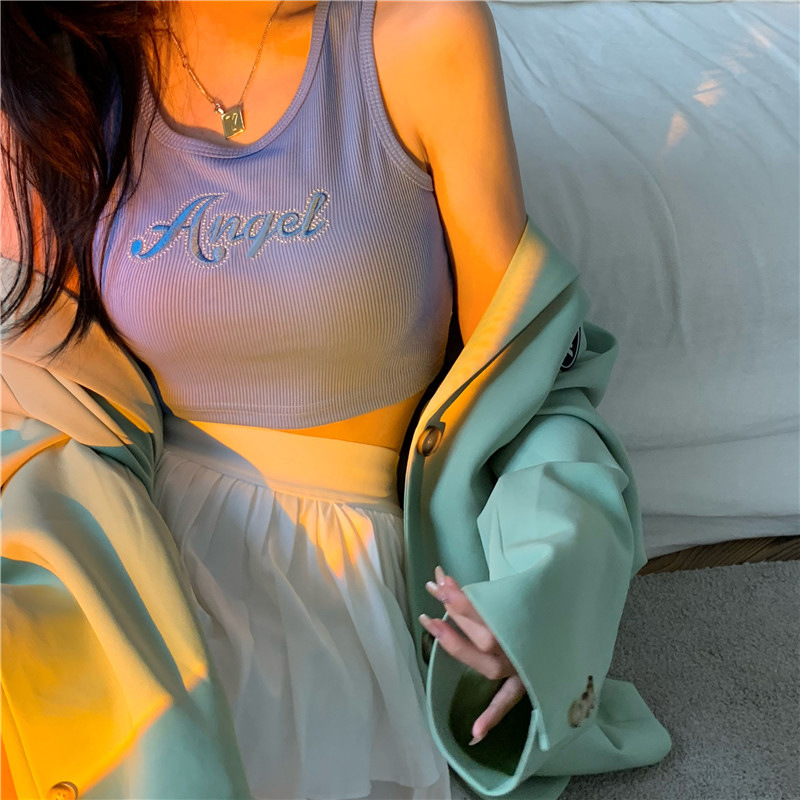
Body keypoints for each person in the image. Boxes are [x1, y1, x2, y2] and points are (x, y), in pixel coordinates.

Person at [1, 1, 533, 798]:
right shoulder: (79, 66)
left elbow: (522, 373)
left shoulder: (423, 34)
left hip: (347, 577)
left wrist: (533, 585)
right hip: (141, 555)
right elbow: (44, 392)